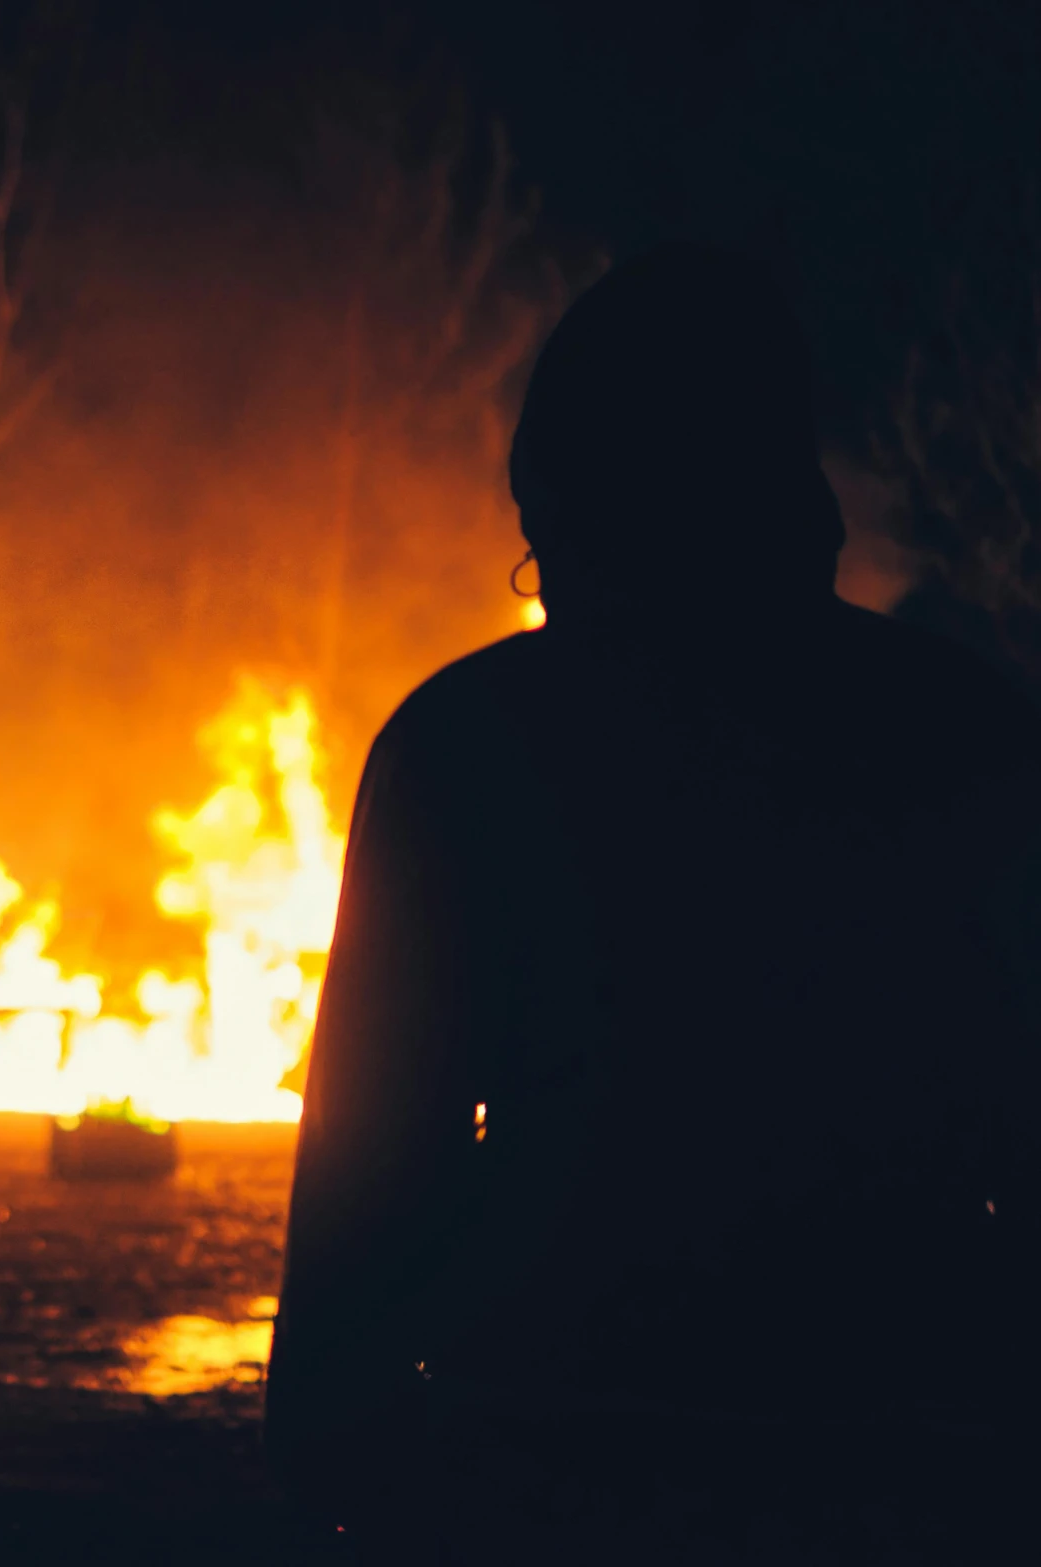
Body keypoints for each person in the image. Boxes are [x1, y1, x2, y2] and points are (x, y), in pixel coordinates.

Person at [268, 248, 1041, 1563]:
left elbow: (371, 1146)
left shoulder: (469, 744)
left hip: (542, 1443)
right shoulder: (969, 734)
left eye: (539, 535)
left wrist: (319, 1444)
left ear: (570, 511)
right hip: (901, 1446)